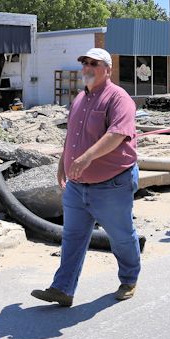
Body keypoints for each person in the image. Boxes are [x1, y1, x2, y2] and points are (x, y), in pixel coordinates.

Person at [31, 48, 142, 307]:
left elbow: (117, 134)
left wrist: (87, 158)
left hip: (112, 184)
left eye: (94, 64)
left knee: (121, 236)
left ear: (108, 70)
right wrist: (63, 162)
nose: (88, 68)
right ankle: (63, 289)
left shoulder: (119, 98)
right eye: (85, 63)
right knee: (72, 237)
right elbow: (72, 136)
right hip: (77, 185)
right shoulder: (80, 98)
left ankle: (129, 278)